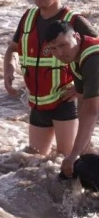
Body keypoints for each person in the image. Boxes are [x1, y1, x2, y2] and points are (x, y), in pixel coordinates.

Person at [3, 0, 97, 156]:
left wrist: (81, 90)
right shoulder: (28, 18)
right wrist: (8, 70)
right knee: (34, 163)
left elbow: (95, 54)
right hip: (37, 104)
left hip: (64, 103)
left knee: (69, 161)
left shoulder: (74, 21)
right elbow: (12, 49)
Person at [43, 21, 99, 178]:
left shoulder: (93, 59)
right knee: (78, 169)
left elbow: (91, 111)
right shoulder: (75, 59)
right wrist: (83, 149)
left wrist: (74, 153)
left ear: (77, 37)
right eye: (53, 48)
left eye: (63, 45)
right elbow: (82, 104)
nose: (59, 53)